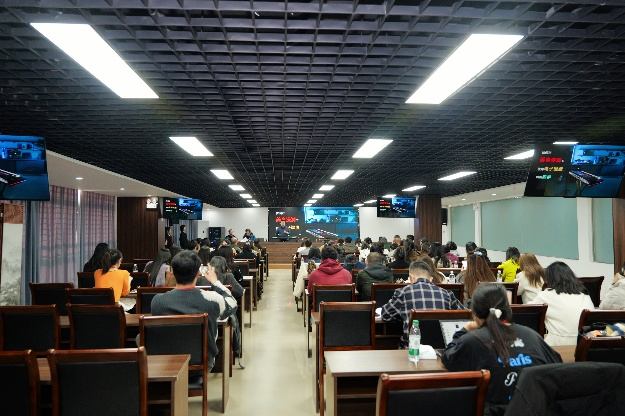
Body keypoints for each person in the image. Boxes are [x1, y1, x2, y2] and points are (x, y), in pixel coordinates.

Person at [442, 283, 562, 416]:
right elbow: (556, 364)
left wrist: (466, 329)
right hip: (536, 411)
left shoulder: (472, 340)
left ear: (475, 313)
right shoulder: (532, 335)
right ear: (508, 309)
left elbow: (448, 358)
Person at [150, 251, 237, 371]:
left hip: (167, 363)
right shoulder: (212, 299)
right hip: (202, 363)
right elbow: (232, 304)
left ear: (172, 273)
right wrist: (215, 282)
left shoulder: (157, 301)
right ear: (198, 273)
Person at [381, 261, 466, 348]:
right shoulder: (447, 293)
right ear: (431, 279)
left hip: (411, 350)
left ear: (411, 277)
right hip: (441, 350)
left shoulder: (403, 292)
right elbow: (465, 315)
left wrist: (402, 316)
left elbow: (385, 314)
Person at [529, 261, 595, 346]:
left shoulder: (546, 295)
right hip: (583, 344)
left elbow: (528, 311)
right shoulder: (584, 295)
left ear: (549, 279)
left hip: (557, 345)